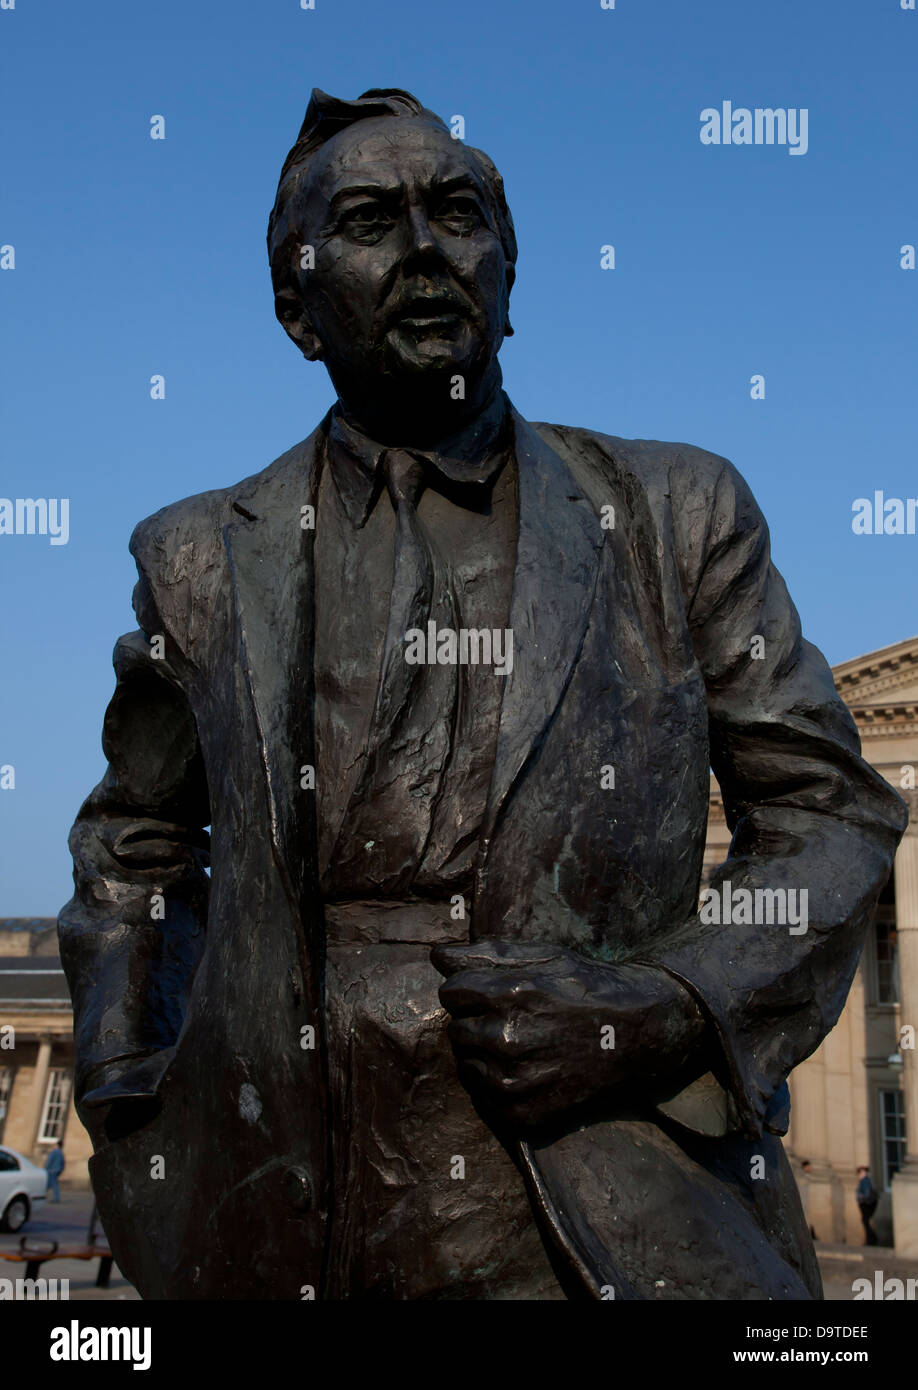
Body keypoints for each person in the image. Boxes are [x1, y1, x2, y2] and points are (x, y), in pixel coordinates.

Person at [58, 87, 907, 1301]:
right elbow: (133, 843)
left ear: (510, 270)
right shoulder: (194, 558)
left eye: (457, 214)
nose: (423, 250)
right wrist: (126, 1079)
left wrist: (662, 1007)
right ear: (296, 308)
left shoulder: (676, 513)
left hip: (604, 1215)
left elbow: (833, 815)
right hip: (283, 1214)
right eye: (367, 220)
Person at [856, 1165, 879, 1246]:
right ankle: (871, 1238)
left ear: (865, 1172)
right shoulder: (866, 1180)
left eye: (861, 1172)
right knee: (865, 1221)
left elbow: (866, 1193)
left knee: (865, 1221)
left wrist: (861, 1199)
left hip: (866, 1204)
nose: (859, 1174)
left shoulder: (865, 1181)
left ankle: (872, 1239)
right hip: (868, 1204)